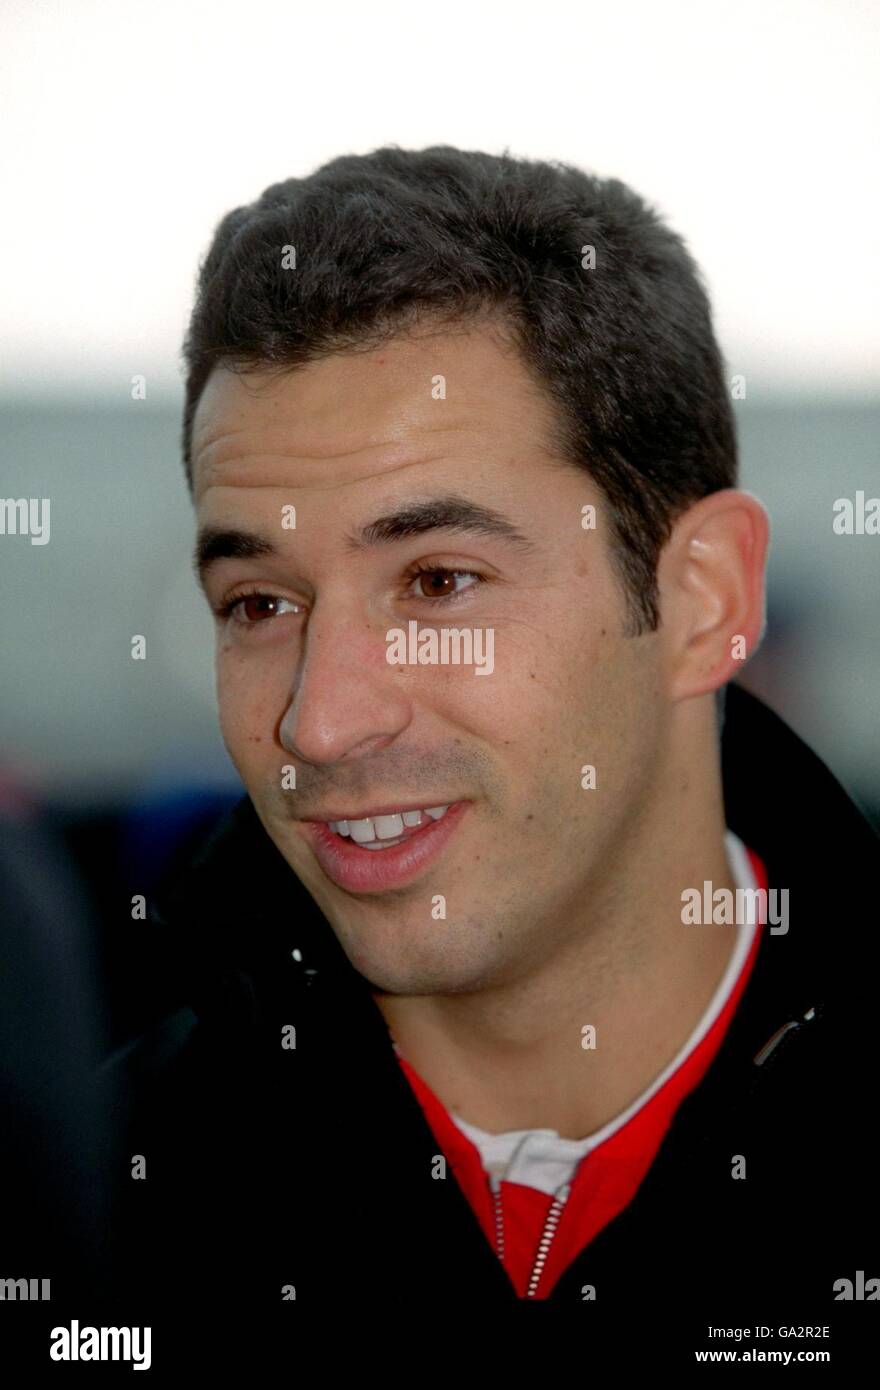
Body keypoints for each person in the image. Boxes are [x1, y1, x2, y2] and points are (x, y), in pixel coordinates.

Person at [102, 148, 877, 1353]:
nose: (321, 719)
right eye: (260, 602)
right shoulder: (88, 1196)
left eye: (439, 581)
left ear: (703, 599)